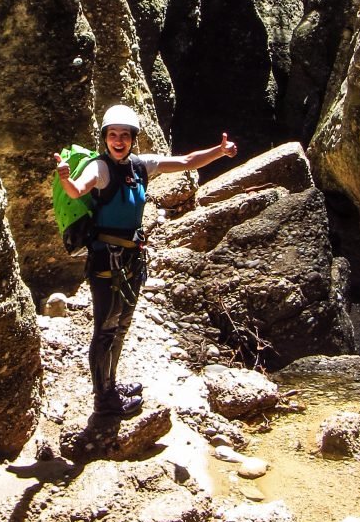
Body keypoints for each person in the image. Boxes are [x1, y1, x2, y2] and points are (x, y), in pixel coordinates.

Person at [53, 104, 237, 417]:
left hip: (131, 259)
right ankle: (103, 399)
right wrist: (66, 181)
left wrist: (219, 152)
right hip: (105, 259)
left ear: (133, 138)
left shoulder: (140, 166)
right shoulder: (99, 168)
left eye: (125, 135)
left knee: (122, 325)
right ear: (105, 138)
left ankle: (111, 383)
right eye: (113, 135)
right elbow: (78, 189)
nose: (119, 140)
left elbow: (186, 161)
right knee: (106, 327)